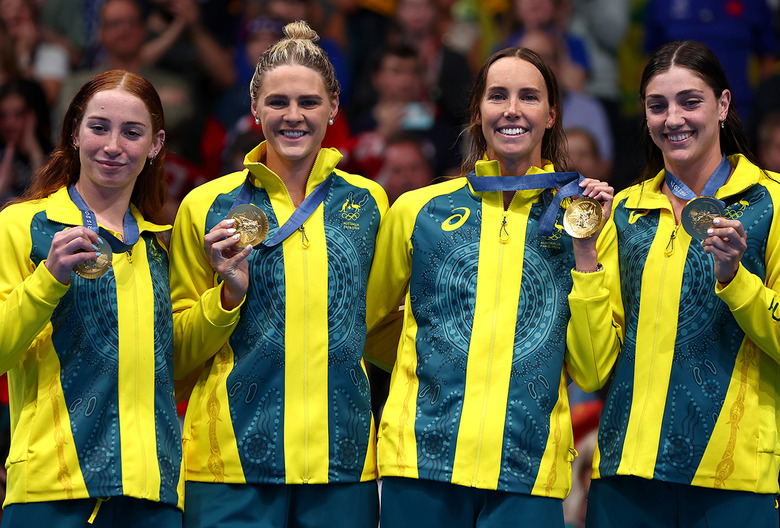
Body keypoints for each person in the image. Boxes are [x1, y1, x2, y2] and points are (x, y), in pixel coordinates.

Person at [364, 46, 613, 528]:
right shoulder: (417, 210)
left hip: (529, 469)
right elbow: (370, 326)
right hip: (420, 463)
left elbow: (591, 367)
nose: (512, 109)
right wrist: (442, 364)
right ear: (478, 111)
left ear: (551, 114)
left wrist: (586, 249)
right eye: (498, 96)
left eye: (529, 97)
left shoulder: (583, 220)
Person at [169, 21, 388, 528]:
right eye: (277, 102)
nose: (293, 116)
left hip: (342, 461)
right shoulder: (206, 206)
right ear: (254, 107)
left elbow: (381, 325)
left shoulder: (369, 202)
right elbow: (176, 353)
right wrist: (226, 298)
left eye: (309, 102)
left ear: (333, 106)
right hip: (229, 465)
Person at [573, 40, 780, 527]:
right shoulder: (623, 212)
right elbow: (592, 368)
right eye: (657, 105)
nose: (673, 119)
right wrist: (585, 257)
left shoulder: (770, 203)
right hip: (626, 472)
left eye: (690, 102)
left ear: (723, 105)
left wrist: (735, 280)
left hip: (733, 477)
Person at [0, 69, 182, 526]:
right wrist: (48, 279)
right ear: (74, 133)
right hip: (51, 489)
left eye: (132, 132)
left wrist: (226, 300)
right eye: (99, 127)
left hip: (152, 491)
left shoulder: (160, 245)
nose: (113, 146)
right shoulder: (22, 226)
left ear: (155, 144)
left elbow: (177, 364)